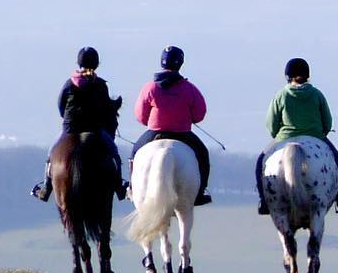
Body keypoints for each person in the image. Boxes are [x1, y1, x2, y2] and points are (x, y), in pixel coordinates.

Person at [33, 46, 128, 201]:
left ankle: (46, 187)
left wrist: (68, 119)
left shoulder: (69, 84)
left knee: (52, 154)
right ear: (96, 64)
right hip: (95, 130)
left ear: (78, 63)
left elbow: (60, 106)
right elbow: (105, 109)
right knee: (114, 153)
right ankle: (119, 187)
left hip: (70, 129)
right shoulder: (100, 85)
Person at [256, 57, 338, 214]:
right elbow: (327, 121)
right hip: (316, 136)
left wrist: (278, 135)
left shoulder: (281, 96)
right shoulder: (316, 94)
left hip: (285, 137)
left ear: (288, 76)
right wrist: (320, 134)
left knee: (260, 163)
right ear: (307, 75)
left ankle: (264, 202)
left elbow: (271, 124)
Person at [132, 46, 212, 205]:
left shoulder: (150, 87)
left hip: (154, 133)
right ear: (180, 63)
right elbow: (199, 114)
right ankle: (200, 191)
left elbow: (140, 116)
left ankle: (132, 188)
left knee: (135, 154)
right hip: (183, 134)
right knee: (203, 155)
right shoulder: (189, 88)